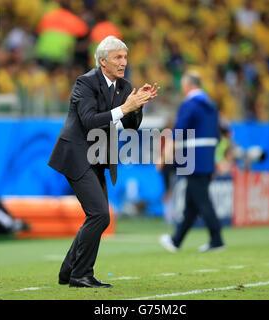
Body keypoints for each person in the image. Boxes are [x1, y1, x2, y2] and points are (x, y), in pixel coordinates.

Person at [48, 36, 159, 288]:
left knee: (98, 216)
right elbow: (88, 120)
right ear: (102, 61)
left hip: (97, 157)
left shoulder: (123, 86)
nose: (124, 62)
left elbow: (131, 126)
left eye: (125, 57)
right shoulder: (85, 82)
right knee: (99, 215)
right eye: (118, 57)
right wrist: (125, 107)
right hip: (77, 154)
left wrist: (138, 105)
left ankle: (68, 271)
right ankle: (80, 274)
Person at [159, 71, 225, 253]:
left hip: (193, 159)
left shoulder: (190, 104)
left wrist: (164, 157)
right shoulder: (210, 106)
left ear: (188, 85)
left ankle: (217, 239)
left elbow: (178, 132)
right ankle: (176, 241)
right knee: (192, 203)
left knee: (202, 201)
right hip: (206, 158)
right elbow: (217, 136)